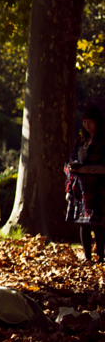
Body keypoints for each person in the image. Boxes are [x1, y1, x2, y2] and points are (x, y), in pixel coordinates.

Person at [66, 106, 105, 263]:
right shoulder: (81, 140)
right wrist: (70, 165)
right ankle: (87, 257)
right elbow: (72, 157)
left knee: (98, 224)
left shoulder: (103, 142)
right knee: (83, 223)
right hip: (81, 188)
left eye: (90, 122)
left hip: (98, 187)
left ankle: (101, 256)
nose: (87, 125)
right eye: (84, 121)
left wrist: (86, 169)